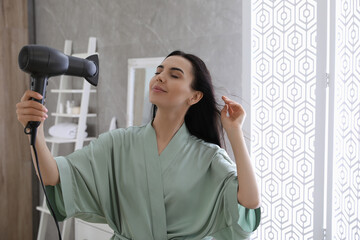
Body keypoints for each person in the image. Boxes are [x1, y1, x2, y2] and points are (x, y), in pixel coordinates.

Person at [16, 50, 261, 240]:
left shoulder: (208, 157)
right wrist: (33, 130)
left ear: (195, 96)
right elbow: (53, 176)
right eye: (158, 71)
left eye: (174, 75)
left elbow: (249, 202)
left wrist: (234, 132)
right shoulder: (117, 144)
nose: (161, 77)